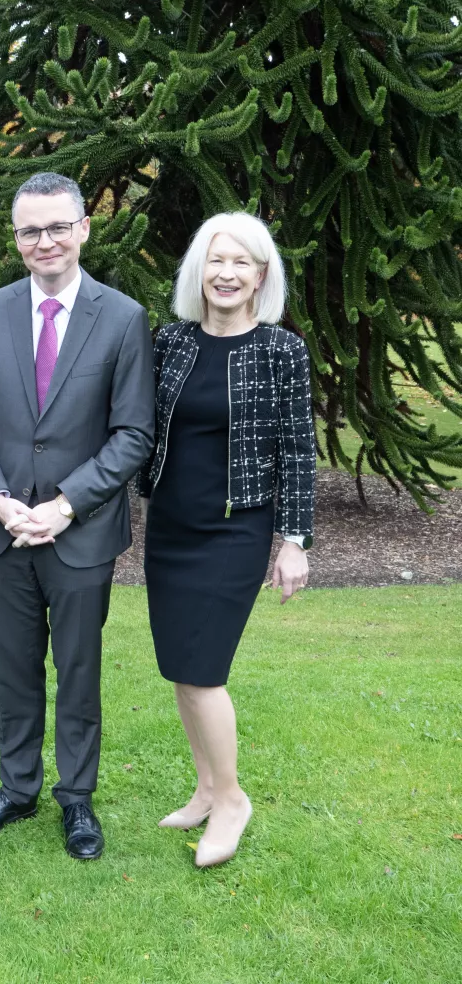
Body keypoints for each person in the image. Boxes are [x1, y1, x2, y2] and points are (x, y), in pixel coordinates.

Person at [0, 171, 154, 859]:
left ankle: (77, 799)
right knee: (14, 669)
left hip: (81, 535)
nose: (44, 241)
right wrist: (0, 499)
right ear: (16, 238)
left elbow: (133, 433)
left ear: (83, 229)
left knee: (78, 670)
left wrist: (67, 505)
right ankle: (16, 788)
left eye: (56, 227)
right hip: (3, 532)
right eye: (30, 230)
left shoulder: (123, 317)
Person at [138, 212, 314, 868]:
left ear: (262, 275)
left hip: (235, 532)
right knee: (182, 671)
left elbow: (299, 449)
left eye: (243, 262)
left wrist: (294, 541)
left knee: (204, 671)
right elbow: (142, 427)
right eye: (217, 260)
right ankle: (207, 787)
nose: (228, 273)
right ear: (197, 271)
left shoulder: (280, 352)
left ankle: (234, 798)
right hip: (171, 529)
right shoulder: (172, 342)